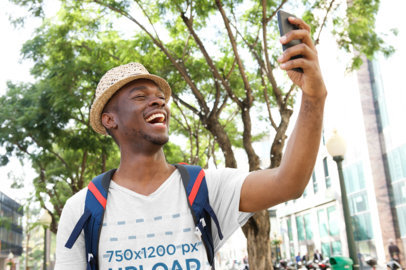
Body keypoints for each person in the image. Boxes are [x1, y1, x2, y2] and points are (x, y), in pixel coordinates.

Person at [55, 16, 327, 270]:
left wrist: (314, 97)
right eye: (140, 96)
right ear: (109, 120)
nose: (158, 101)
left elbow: (289, 182)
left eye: (160, 96)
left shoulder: (205, 188)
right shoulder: (83, 209)